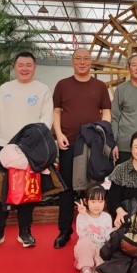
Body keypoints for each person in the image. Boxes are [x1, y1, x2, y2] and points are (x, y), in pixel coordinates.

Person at [0, 51, 53, 249]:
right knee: (0, 190)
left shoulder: (42, 90)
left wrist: (31, 143)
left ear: (34, 68)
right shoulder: (5, 88)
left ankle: (25, 232)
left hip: (29, 150)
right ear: (15, 67)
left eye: (28, 65)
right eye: (20, 65)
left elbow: (46, 120)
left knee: (28, 190)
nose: (24, 68)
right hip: (4, 146)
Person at [53, 48, 112, 249]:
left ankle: (99, 229)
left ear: (91, 62)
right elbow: (56, 112)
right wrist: (58, 134)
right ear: (72, 61)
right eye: (78, 58)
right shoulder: (62, 85)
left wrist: (102, 134)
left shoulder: (100, 86)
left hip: (93, 145)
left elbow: (106, 113)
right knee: (66, 187)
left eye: (86, 58)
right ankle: (64, 231)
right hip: (68, 143)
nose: (82, 62)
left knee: (95, 185)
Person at [74, 186, 113, 273]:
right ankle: (86, 270)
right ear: (86, 201)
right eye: (93, 201)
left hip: (100, 250)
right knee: (85, 242)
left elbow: (108, 237)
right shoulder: (81, 216)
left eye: (100, 201)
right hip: (85, 249)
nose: (97, 205)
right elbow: (82, 234)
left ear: (105, 202)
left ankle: (87, 265)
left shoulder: (107, 217)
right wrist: (83, 215)